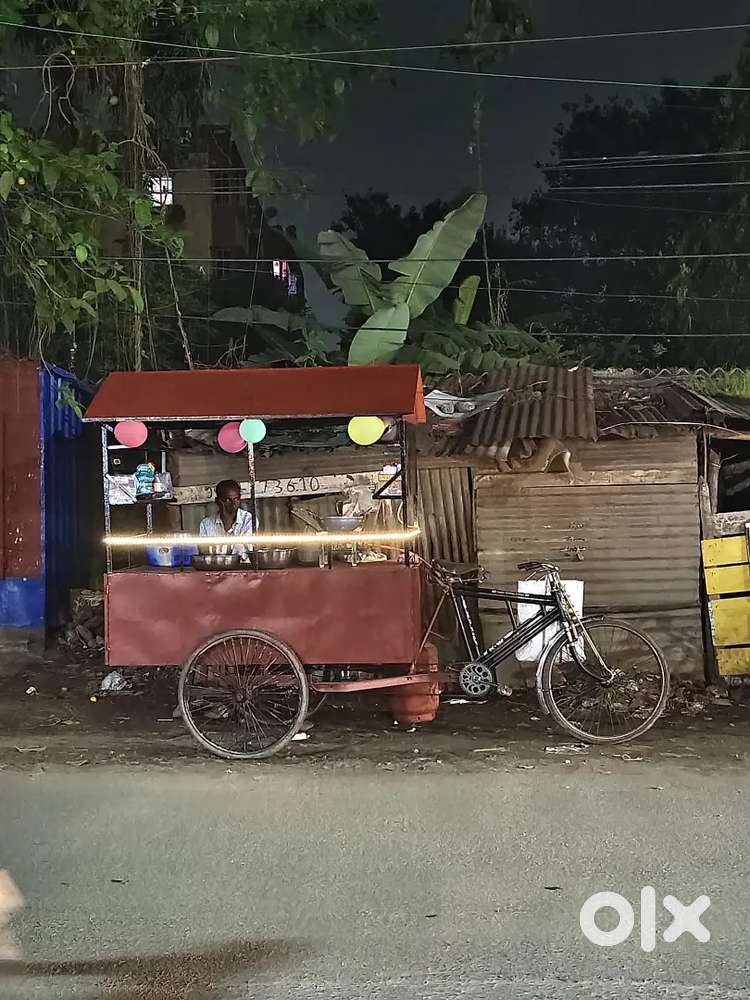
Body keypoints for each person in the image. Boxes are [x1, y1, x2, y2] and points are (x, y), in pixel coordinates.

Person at [199, 479, 253, 558]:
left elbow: (241, 553)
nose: (233, 503)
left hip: (242, 567)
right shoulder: (206, 524)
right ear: (218, 501)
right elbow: (204, 553)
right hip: (215, 567)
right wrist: (225, 516)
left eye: (236, 499)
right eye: (228, 500)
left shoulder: (248, 519)